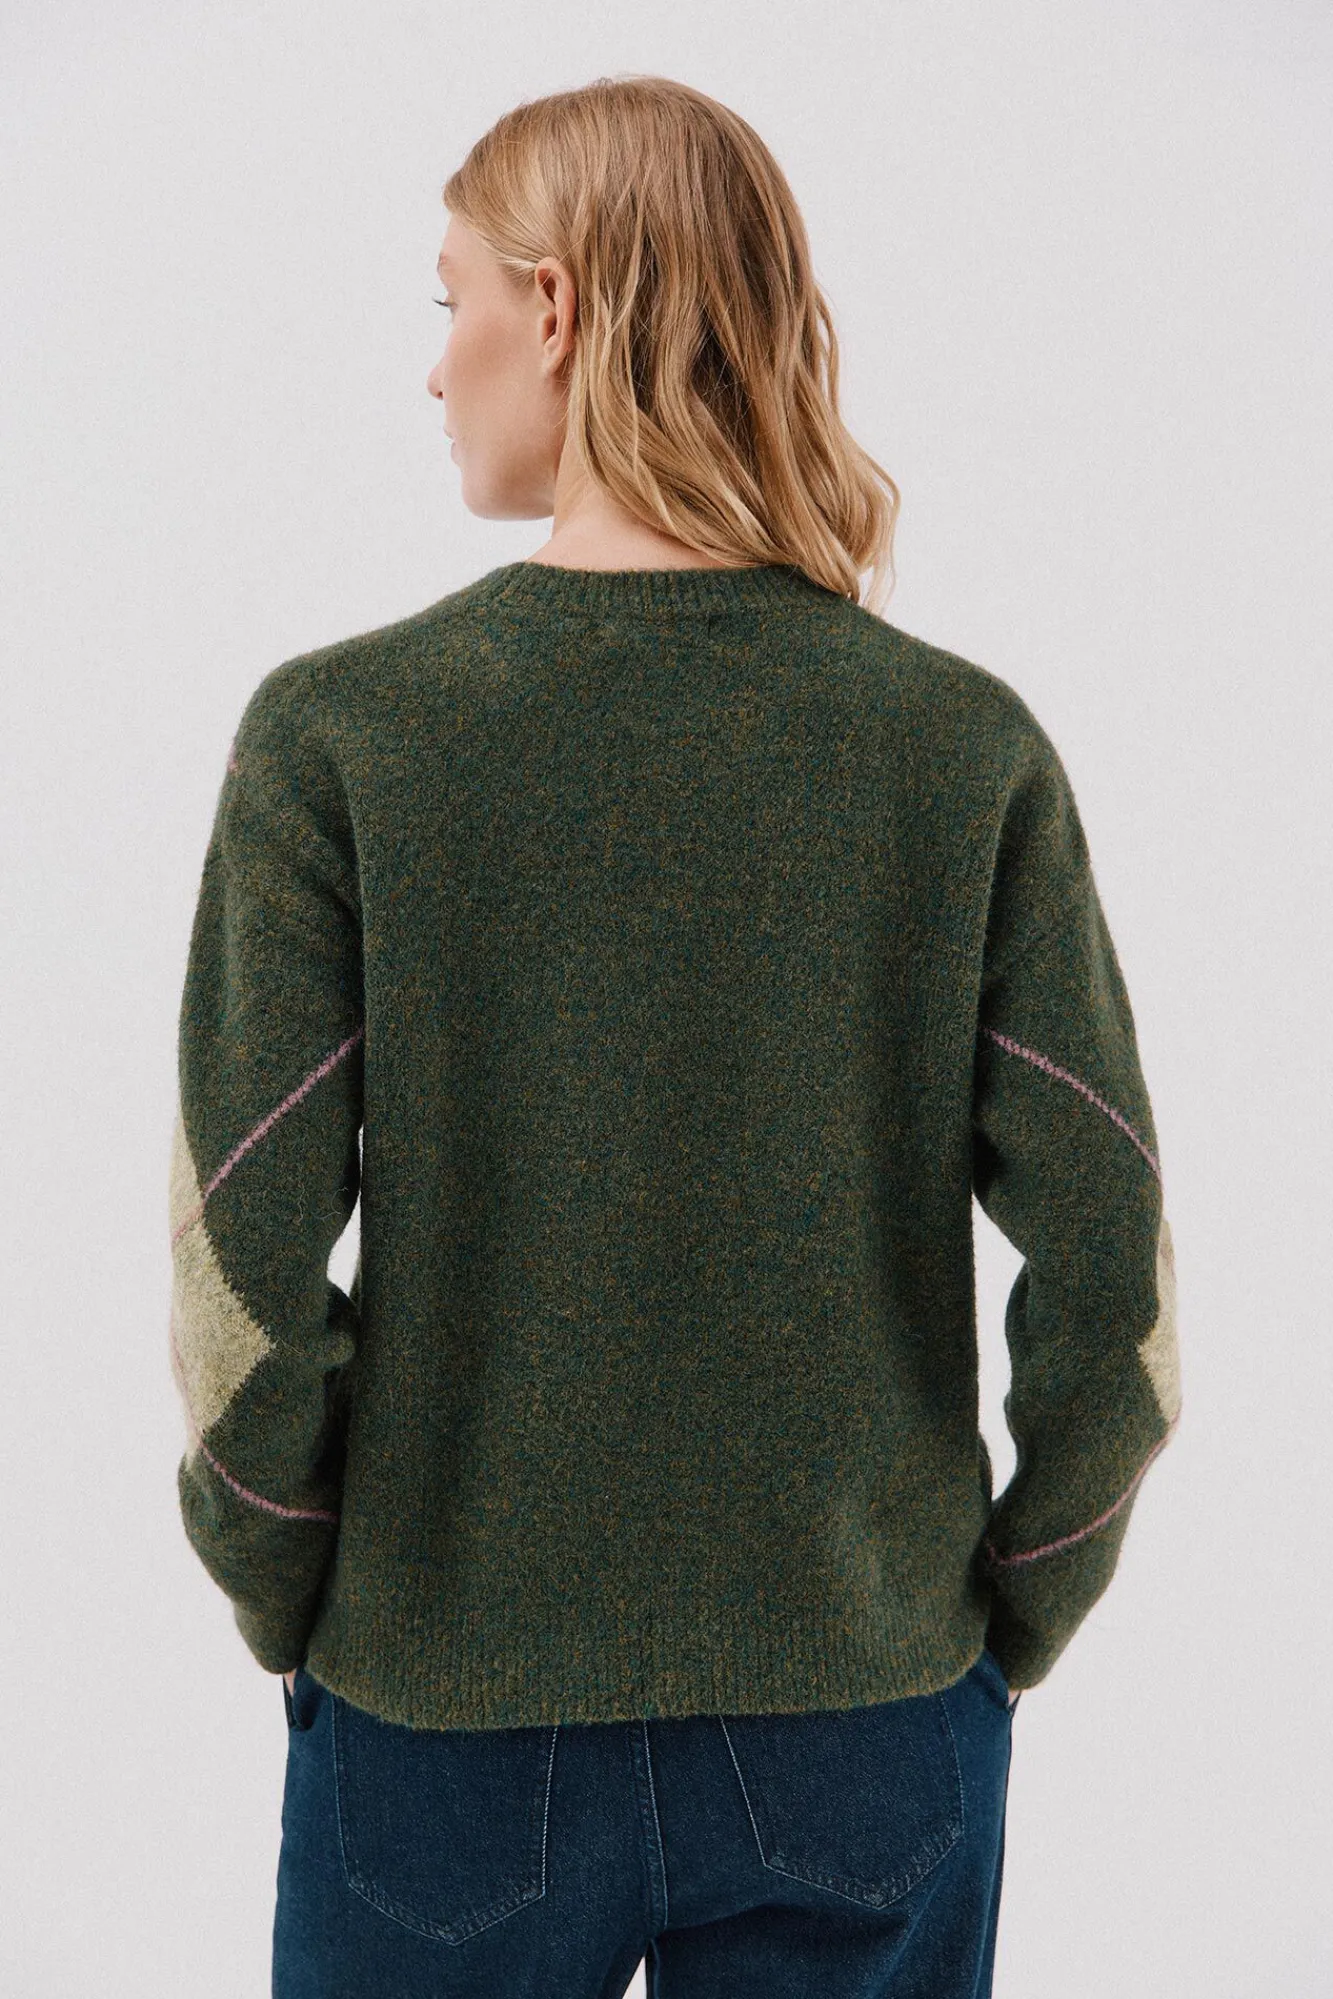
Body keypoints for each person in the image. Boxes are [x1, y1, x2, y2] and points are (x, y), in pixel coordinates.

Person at [166, 73, 1181, 1999]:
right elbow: (1118, 1287)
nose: (436, 362)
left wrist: (308, 1597)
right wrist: (999, 1628)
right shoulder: (960, 749)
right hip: (870, 1716)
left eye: (451, 297)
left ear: (552, 308)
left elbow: (238, 1295)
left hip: (439, 1716)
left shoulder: (340, 740)